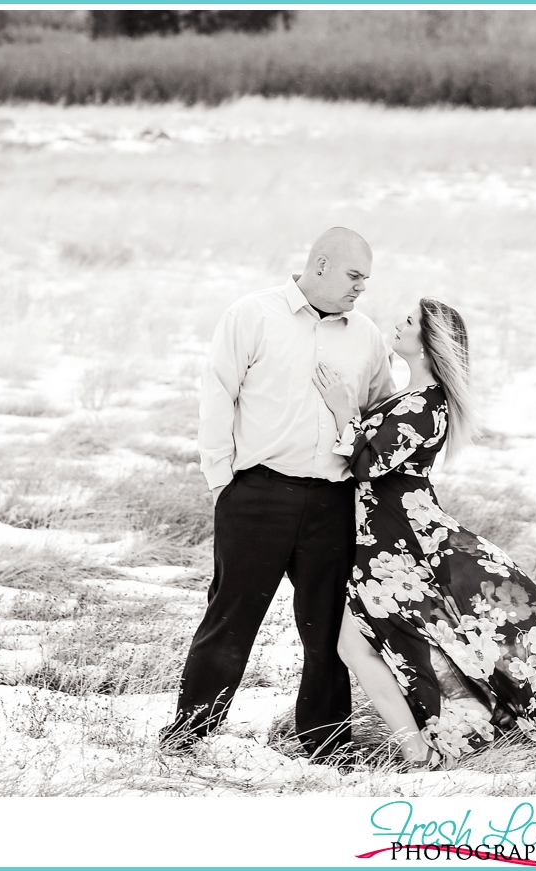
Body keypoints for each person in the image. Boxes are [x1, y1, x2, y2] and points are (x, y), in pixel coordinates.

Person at [159, 227, 395, 760]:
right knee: (232, 617)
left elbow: (381, 413)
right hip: (257, 495)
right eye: (354, 276)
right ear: (320, 264)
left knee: (329, 629)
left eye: (366, 279)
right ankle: (188, 734)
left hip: (333, 502)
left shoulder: (366, 336)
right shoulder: (253, 315)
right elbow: (218, 392)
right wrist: (222, 481)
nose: (362, 289)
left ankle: (327, 745)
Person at [313, 298, 536, 769]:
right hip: (386, 538)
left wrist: (341, 410)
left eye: (409, 322)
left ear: (430, 345)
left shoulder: (424, 405)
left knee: (358, 644)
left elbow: (370, 466)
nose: (398, 323)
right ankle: (424, 742)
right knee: (375, 643)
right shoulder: (406, 397)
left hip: (403, 543)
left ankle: (423, 745)